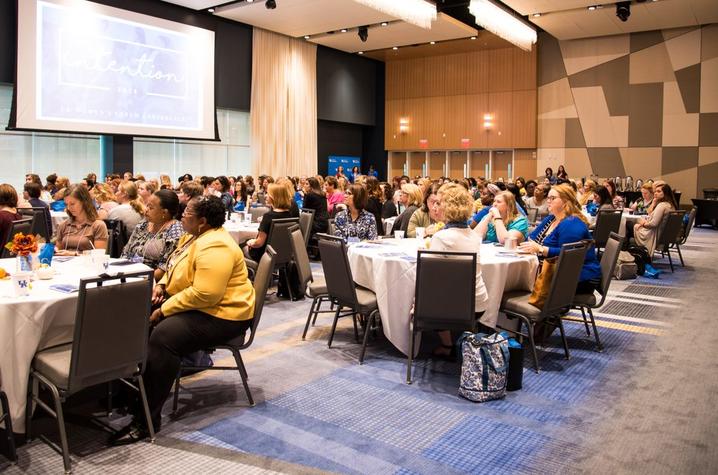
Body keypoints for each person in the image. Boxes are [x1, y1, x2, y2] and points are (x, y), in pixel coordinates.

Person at [110, 196, 255, 444]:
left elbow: (205, 293)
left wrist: (165, 308)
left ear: (202, 221)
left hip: (224, 314)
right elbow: (172, 264)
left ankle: (146, 419)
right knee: (132, 318)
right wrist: (162, 286)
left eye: (187, 212)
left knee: (163, 338)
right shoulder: (192, 237)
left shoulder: (216, 246)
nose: (182, 214)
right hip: (201, 305)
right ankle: (126, 392)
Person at [430, 183, 490, 357]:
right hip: (478, 303)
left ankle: (447, 345)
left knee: (420, 296)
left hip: (454, 307)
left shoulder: (442, 237)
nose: (434, 206)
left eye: (438, 203)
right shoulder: (474, 236)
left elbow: (430, 280)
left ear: (449, 207)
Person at [519, 184, 601, 294]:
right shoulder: (551, 219)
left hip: (578, 277)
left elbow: (569, 254)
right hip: (554, 272)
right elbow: (531, 239)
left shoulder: (571, 222)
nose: (548, 201)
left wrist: (541, 249)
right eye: (547, 198)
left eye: (552, 198)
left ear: (566, 202)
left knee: (515, 285)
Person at [121, 190, 185, 281]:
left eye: (151, 208)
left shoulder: (175, 231)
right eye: (147, 205)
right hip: (128, 274)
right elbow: (126, 251)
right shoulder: (144, 223)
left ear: (164, 212)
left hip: (151, 281)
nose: (146, 210)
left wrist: (138, 280)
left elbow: (165, 269)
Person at [55, 185, 108, 255]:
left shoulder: (98, 225)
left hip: (87, 264)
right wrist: (54, 250)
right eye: (66, 204)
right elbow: (58, 251)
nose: (68, 208)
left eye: (72, 204)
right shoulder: (63, 225)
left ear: (84, 202)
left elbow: (99, 255)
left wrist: (74, 254)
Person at [246, 183, 293, 262]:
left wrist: (250, 242)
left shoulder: (268, 216)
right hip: (282, 254)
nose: (265, 196)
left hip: (265, 255)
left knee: (240, 246)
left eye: (268, 193)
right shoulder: (289, 214)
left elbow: (259, 243)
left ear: (274, 197)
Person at [629, 183, 677, 255]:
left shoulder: (662, 205)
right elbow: (650, 214)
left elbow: (653, 224)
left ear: (665, 193)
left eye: (659, 191)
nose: (656, 193)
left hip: (652, 235)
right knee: (631, 226)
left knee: (627, 227)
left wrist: (643, 224)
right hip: (662, 235)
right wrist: (654, 203)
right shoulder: (670, 204)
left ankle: (628, 256)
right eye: (655, 192)